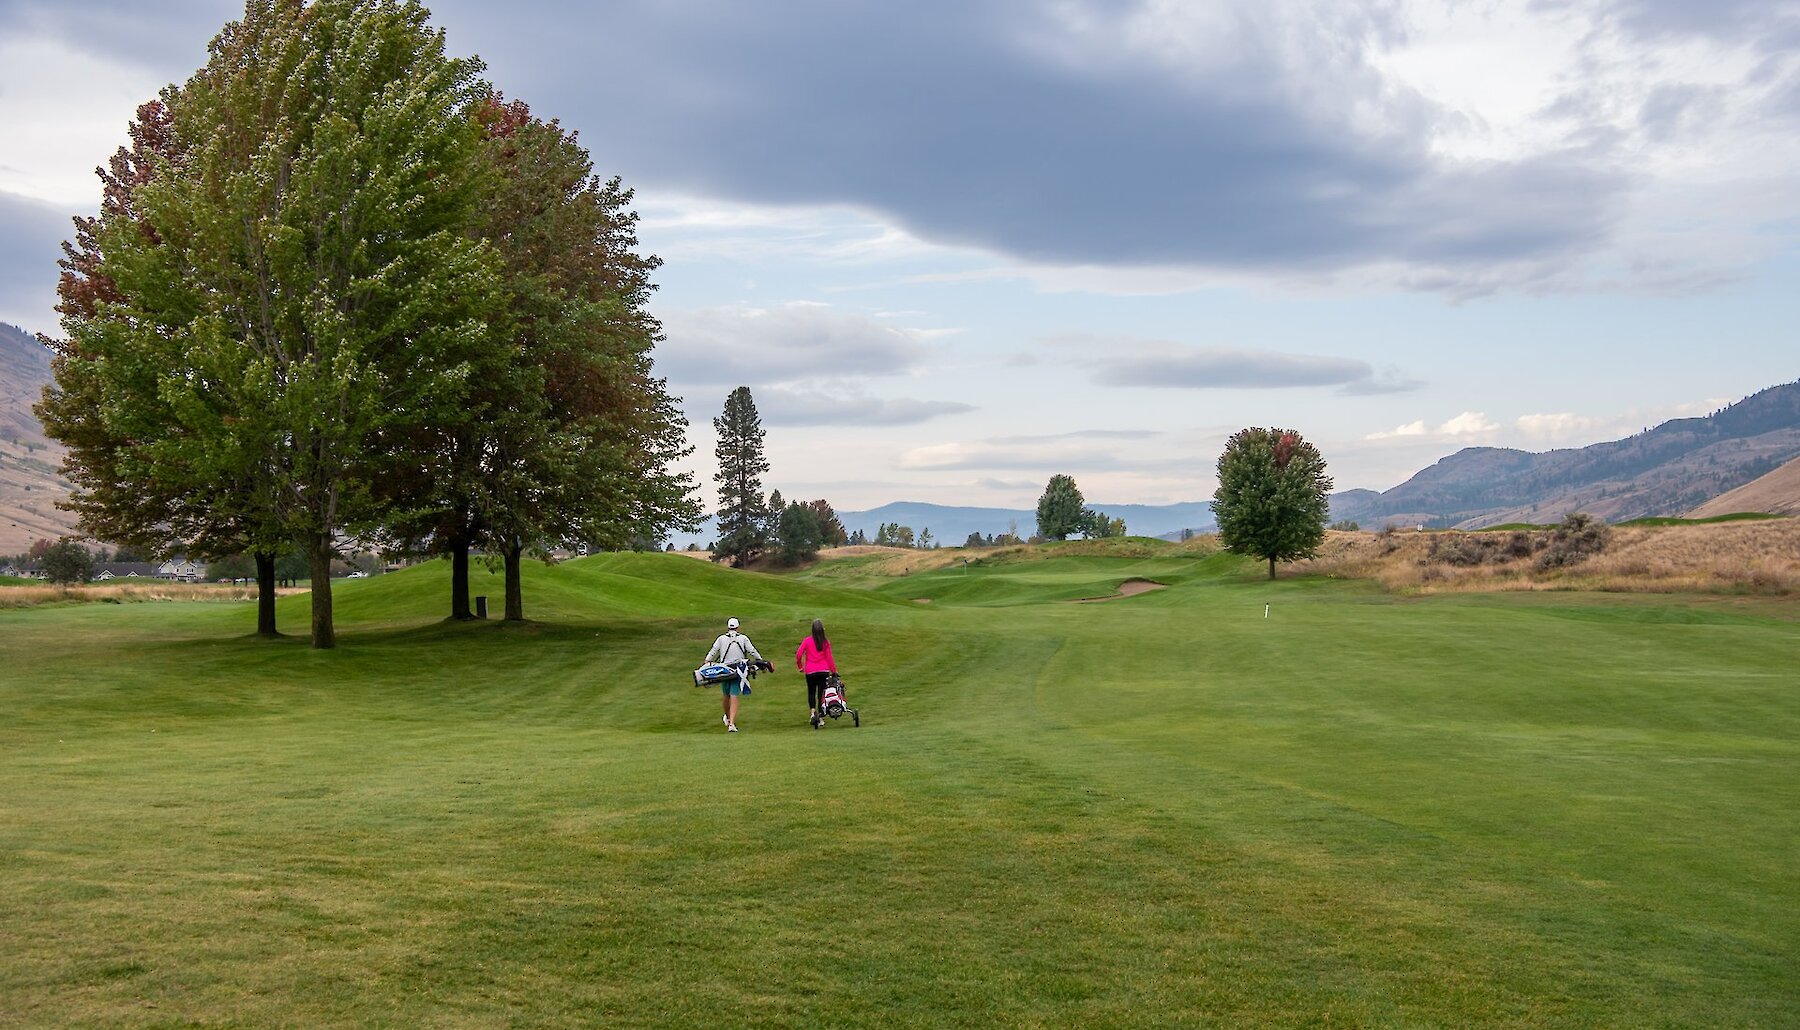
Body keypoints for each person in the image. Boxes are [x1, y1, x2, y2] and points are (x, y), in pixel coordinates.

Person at [704, 617, 761, 732]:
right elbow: (752, 651)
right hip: (737, 670)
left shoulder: (721, 639)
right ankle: (731, 724)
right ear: (738, 627)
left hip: (723, 670)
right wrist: (760, 661)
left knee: (726, 695)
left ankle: (728, 718)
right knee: (734, 696)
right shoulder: (743, 638)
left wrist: (707, 663)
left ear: (728, 627)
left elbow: (713, 652)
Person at [795, 618, 838, 727]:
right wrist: (834, 672)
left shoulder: (807, 641)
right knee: (821, 694)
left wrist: (800, 666)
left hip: (810, 671)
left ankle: (813, 713)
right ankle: (821, 716)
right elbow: (829, 658)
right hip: (823, 670)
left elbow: (799, 654)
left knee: (811, 692)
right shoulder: (825, 642)